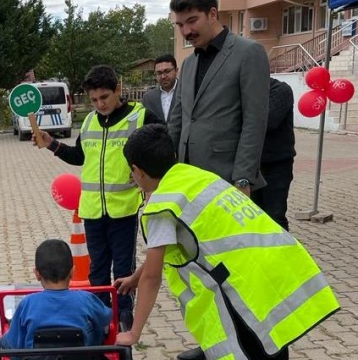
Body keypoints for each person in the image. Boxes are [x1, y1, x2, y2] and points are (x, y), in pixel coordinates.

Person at [113, 124, 340, 360]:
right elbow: (163, 254)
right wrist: (135, 278)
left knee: (256, 346)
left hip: (242, 287)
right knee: (272, 344)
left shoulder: (161, 207)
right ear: (173, 155)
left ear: (137, 170)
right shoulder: (197, 176)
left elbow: (154, 276)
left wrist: (134, 333)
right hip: (278, 266)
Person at [35, 65, 163, 326]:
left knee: (123, 267)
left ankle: (124, 312)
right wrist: (52, 144)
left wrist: (148, 176)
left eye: (104, 97)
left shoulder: (141, 117)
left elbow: (161, 149)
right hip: (92, 210)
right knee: (98, 269)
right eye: (94, 100)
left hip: (123, 210)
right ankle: (99, 313)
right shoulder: (91, 120)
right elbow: (80, 156)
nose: (99, 104)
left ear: (118, 89)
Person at [168, 0, 269, 199]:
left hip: (227, 178)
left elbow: (254, 121)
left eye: (192, 21)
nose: (186, 31)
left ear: (213, 14)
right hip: (187, 178)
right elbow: (177, 120)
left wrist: (243, 178)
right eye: (180, 25)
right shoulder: (188, 63)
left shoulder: (248, 52)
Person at [1, 239, 112, 349]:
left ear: (37, 274)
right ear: (72, 272)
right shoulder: (86, 299)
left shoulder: (27, 303)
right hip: (83, 356)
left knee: (8, 339)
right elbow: (106, 318)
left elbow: (13, 343)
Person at [251, 78, 295, 231]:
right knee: (255, 215)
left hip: (276, 165)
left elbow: (268, 121)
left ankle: (284, 253)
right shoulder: (246, 92)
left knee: (275, 216)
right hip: (252, 164)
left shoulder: (280, 90)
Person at [142, 54, 179, 122]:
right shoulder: (148, 98)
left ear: (176, 70)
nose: (163, 76)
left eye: (167, 71)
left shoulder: (187, 92)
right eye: (159, 73)